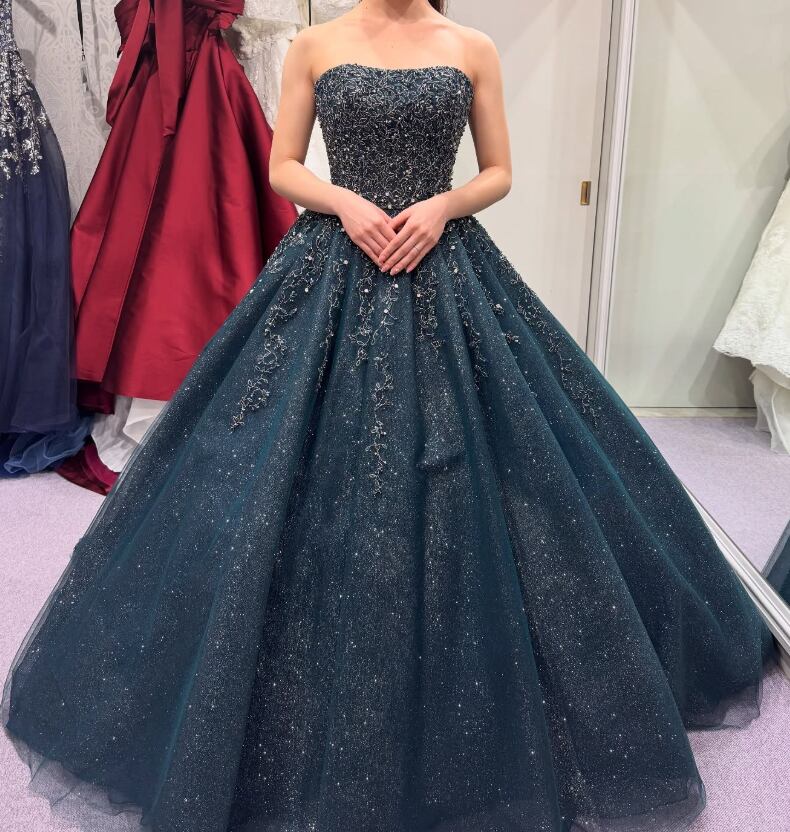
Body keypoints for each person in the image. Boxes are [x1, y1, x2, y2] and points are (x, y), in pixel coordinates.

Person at [3, 2, 775, 831]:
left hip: (445, 258)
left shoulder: (470, 46)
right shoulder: (316, 42)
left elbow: (498, 171)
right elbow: (282, 165)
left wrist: (445, 206)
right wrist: (344, 203)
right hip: (335, 256)